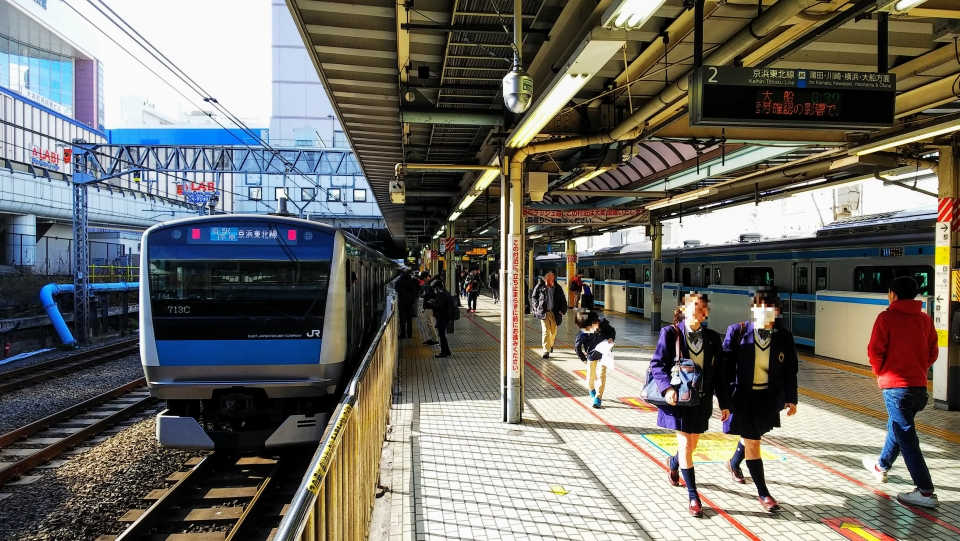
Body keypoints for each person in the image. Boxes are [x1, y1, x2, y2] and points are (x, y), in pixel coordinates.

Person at [650, 293, 730, 518]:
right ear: (684, 310)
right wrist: (667, 389)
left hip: (702, 401)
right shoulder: (671, 333)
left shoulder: (714, 338)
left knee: (692, 445)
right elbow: (657, 364)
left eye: (702, 309)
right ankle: (694, 496)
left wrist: (725, 403)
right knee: (686, 444)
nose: (698, 312)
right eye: (693, 308)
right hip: (679, 400)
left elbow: (720, 375)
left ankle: (673, 462)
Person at [862, 276, 939, 508]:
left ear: (893, 294)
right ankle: (881, 466)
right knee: (897, 428)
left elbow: (875, 351)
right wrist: (918, 368)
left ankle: (925, 492)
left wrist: (882, 372)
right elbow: (932, 352)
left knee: (907, 437)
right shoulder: (925, 319)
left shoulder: (886, 317)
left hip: (896, 388)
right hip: (919, 388)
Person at [722, 287, 798, 513]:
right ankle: (764, 494)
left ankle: (734, 463)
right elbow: (724, 369)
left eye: (770, 309)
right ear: (754, 309)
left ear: (777, 312)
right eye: (761, 308)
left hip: (768, 398)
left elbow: (789, 371)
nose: (765, 313)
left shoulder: (784, 337)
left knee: (754, 435)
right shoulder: (737, 332)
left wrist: (791, 398)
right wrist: (723, 400)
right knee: (754, 441)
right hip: (743, 397)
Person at [574, 311, 616, 409]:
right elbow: (577, 347)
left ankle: (598, 398)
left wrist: (611, 338)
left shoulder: (603, 323)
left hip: (604, 353)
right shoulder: (583, 332)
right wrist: (584, 359)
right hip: (591, 355)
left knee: (602, 375)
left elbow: (612, 331)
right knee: (590, 376)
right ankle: (592, 390)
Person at [530, 272, 567, 359]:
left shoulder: (558, 288)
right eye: (548, 278)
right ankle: (546, 350)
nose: (550, 280)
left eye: (551, 278)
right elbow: (534, 297)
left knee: (553, 332)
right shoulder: (540, 286)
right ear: (545, 279)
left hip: (555, 313)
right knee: (546, 331)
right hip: (544, 312)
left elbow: (563, 300)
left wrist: (562, 310)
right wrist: (536, 308)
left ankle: (550, 344)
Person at [424, 278, 452, 358]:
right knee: (442, 334)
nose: (433, 290)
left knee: (442, 335)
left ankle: (444, 352)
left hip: (441, 317)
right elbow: (441, 303)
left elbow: (439, 306)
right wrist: (435, 301)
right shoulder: (446, 292)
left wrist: (432, 304)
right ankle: (447, 351)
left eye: (434, 288)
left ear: (437, 287)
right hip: (445, 316)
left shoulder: (441, 294)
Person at [395, 268, 419, 338]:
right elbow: (414, 292)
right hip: (410, 302)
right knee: (409, 318)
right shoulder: (411, 281)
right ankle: (409, 333)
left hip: (402, 301)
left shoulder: (399, 281)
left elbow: (396, 289)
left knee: (402, 318)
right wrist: (413, 301)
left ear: (401, 273)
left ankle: (403, 333)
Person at [418, 271, 440, 346]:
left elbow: (434, 294)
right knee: (429, 322)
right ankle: (432, 338)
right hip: (428, 304)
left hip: (429, 305)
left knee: (429, 322)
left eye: (424, 278)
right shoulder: (429, 283)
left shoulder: (432, 284)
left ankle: (435, 339)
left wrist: (425, 295)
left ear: (428, 277)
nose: (424, 280)